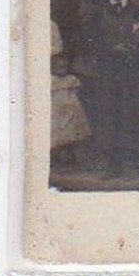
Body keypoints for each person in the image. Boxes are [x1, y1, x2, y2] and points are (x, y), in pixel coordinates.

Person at [81, 0, 139, 176]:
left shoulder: (138, 11)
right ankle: (110, 165)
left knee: (133, 115)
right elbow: (87, 40)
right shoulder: (97, 11)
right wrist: (110, 48)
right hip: (107, 73)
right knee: (108, 116)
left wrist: (137, 47)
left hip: (132, 73)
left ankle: (134, 163)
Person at [50, 20, 92, 168]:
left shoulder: (51, 25)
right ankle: (54, 152)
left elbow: (57, 47)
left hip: (68, 104)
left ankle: (67, 151)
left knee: (69, 121)